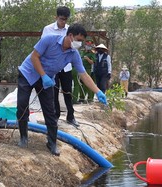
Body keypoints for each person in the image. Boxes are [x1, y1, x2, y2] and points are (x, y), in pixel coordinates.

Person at [17, 23, 107, 156]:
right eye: (79, 40)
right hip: (28, 73)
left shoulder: (73, 54)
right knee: (23, 105)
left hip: (46, 80)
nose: (80, 44)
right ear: (70, 36)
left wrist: (97, 91)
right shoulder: (49, 39)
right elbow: (34, 57)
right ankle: (23, 137)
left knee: (50, 111)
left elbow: (83, 74)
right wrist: (43, 75)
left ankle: (51, 143)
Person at [41, 6, 79, 127]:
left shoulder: (69, 30)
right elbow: (43, 47)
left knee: (68, 90)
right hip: (52, 67)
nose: (63, 22)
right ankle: (55, 116)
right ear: (56, 17)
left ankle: (71, 116)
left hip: (66, 66)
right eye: (61, 19)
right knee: (54, 92)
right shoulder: (48, 29)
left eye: (66, 20)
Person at [72, 37, 96, 103]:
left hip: (87, 69)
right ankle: (81, 98)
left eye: (89, 44)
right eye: (87, 44)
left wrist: (88, 59)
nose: (88, 45)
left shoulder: (92, 53)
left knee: (87, 84)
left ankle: (90, 98)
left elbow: (92, 62)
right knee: (80, 84)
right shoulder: (81, 51)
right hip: (80, 69)